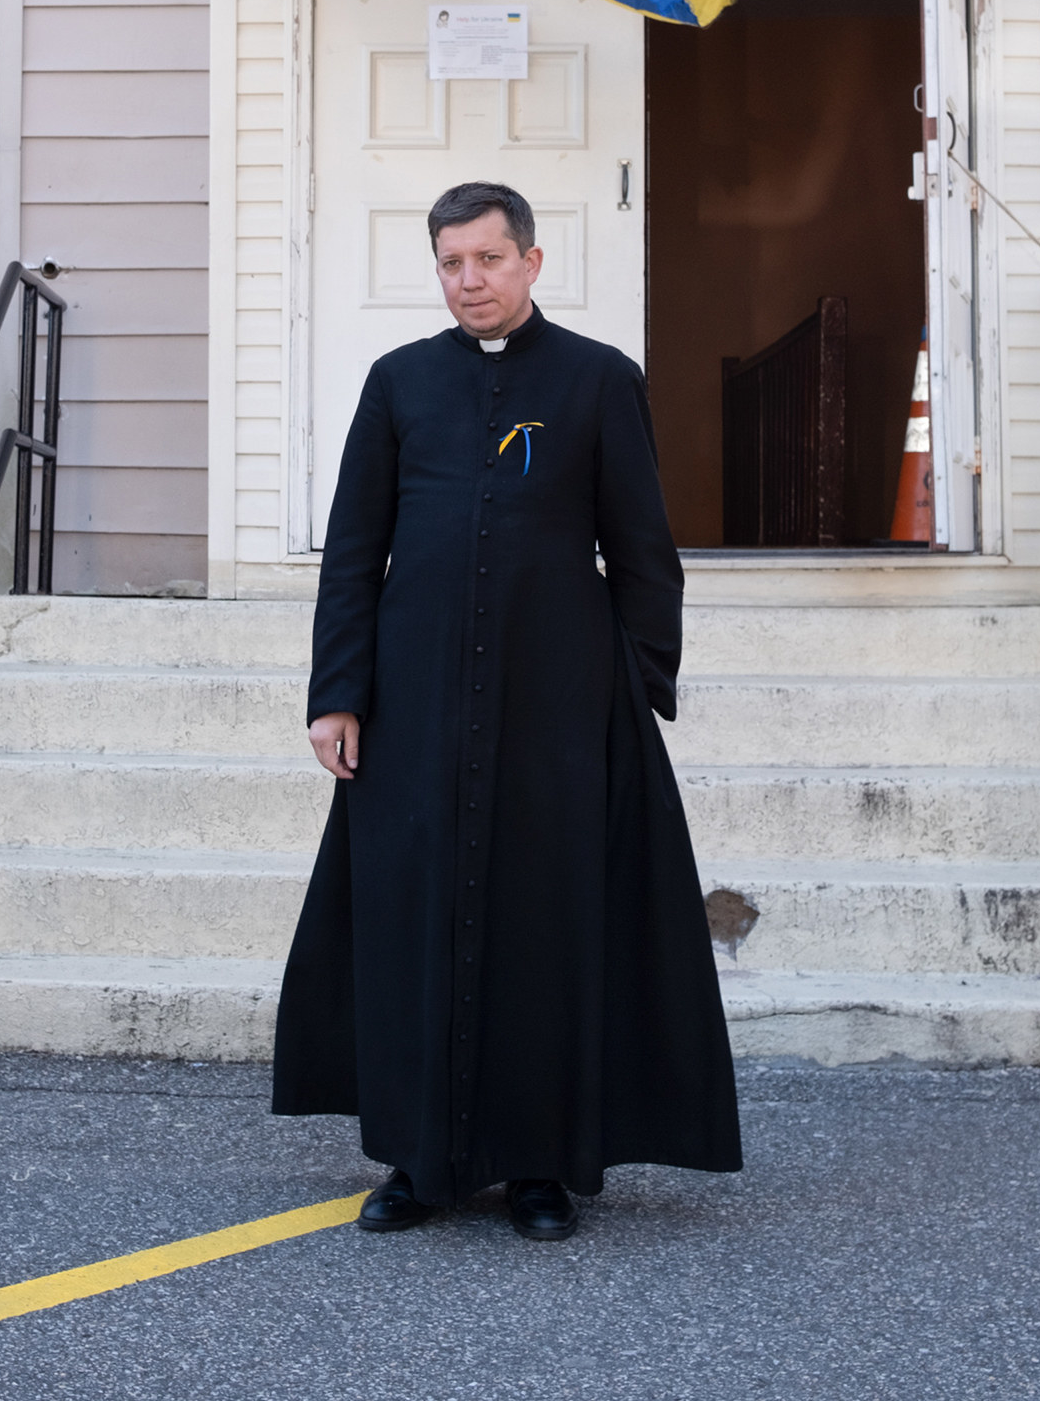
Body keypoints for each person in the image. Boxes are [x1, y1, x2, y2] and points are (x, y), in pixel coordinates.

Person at [272, 180, 740, 1240]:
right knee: (413, 917)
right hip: (415, 698)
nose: (469, 280)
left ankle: (540, 1164)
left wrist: (634, 684)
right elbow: (353, 553)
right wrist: (337, 692)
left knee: (545, 923)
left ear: (531, 261)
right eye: (451, 263)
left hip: (560, 698)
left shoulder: (596, 380)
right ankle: (417, 1159)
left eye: (488, 259)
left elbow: (643, 553)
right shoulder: (397, 383)